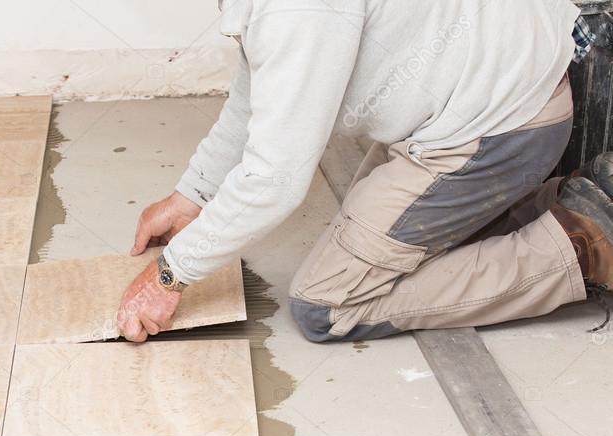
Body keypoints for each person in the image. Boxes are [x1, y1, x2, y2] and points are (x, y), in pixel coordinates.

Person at [116, 0, 612, 343]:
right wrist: (192, 196)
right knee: (387, 249)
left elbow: (276, 179)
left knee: (328, 306)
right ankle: (564, 205)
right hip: (488, 101)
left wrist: (169, 276)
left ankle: (584, 247)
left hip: (499, 129)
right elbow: (259, 91)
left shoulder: (298, 10)